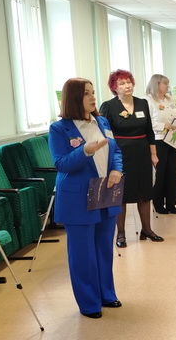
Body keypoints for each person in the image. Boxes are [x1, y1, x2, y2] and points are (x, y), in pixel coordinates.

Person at [50, 78, 123, 318]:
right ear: (73, 98)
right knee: (83, 254)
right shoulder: (59, 128)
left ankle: (106, 294)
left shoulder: (102, 121)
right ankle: (89, 303)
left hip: (105, 191)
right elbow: (61, 164)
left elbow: (115, 150)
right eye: (86, 94)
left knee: (104, 249)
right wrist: (84, 151)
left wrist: (117, 169)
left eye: (93, 92)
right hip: (78, 199)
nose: (93, 97)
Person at [100, 69, 163, 247]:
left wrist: (153, 153)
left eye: (129, 82)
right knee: (121, 193)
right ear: (114, 87)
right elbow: (104, 134)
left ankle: (147, 230)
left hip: (142, 152)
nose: (127, 86)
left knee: (145, 192)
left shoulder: (142, 103)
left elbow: (149, 131)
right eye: (122, 83)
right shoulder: (109, 106)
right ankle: (121, 234)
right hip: (120, 154)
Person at [146, 74, 176, 215]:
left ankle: (171, 203)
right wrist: (163, 125)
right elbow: (148, 122)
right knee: (161, 172)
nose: (167, 86)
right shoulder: (148, 100)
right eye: (165, 83)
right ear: (156, 84)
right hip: (158, 140)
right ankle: (158, 204)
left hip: (172, 139)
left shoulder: (169, 99)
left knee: (172, 172)